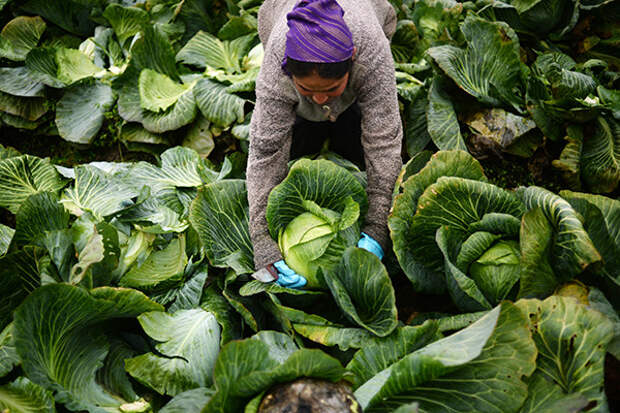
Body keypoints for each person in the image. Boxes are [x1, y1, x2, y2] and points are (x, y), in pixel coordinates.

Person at [247, 0, 403, 288]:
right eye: (306, 89)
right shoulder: (276, 64)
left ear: (353, 59)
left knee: (359, 143)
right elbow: (265, 150)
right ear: (288, 71)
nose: (320, 99)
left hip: (364, 30)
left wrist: (378, 227)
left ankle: (340, 101)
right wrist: (262, 240)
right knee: (293, 144)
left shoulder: (371, 54)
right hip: (282, 23)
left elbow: (384, 141)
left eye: (331, 89)